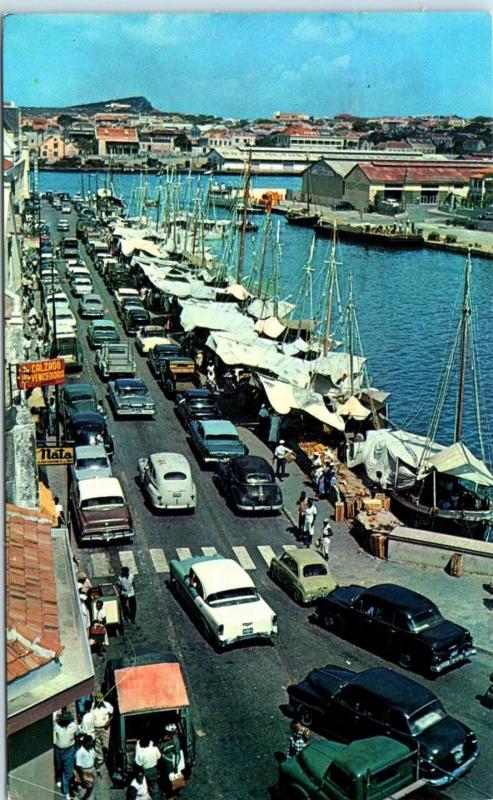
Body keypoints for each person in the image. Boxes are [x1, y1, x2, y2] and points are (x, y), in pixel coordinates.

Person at [54, 708, 78, 798]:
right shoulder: (56, 726)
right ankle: (59, 778)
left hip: (69, 750)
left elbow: (76, 736)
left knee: (68, 771)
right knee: (59, 766)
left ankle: (66, 791)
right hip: (58, 750)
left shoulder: (73, 726)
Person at [91, 692, 114, 770]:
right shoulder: (92, 706)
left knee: (105, 744)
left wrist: (108, 722)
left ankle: (106, 758)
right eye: (98, 701)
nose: (99, 702)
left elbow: (112, 715)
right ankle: (100, 760)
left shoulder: (108, 706)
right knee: (97, 745)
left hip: (105, 729)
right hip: (96, 728)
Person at [159, 723, 183, 797]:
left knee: (173, 777)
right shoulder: (164, 738)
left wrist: (176, 766)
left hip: (170, 762)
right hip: (164, 761)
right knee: (165, 776)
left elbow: (177, 753)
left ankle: (174, 793)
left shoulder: (175, 740)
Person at [75, 735, 97, 800]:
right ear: (85, 742)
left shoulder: (91, 749)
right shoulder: (79, 752)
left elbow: (94, 759)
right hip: (84, 772)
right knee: (83, 790)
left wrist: (97, 770)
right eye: (90, 742)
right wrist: (83, 779)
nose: (91, 744)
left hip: (92, 769)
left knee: (91, 790)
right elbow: (79, 767)